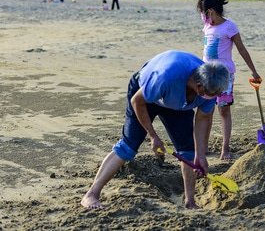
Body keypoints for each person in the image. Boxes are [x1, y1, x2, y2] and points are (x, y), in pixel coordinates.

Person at [80, 50, 229, 210]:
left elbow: (203, 119)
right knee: (128, 146)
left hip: (177, 103)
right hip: (144, 95)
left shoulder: (210, 88)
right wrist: (153, 136)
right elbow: (137, 101)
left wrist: (200, 155)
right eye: (214, 94)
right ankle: (91, 194)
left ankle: (190, 201)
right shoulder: (166, 76)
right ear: (199, 87)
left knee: (188, 151)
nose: (216, 97)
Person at [196, 0, 261, 160]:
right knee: (206, 110)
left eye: (203, 13)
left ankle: (225, 148)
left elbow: (241, 49)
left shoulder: (229, 27)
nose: (202, 17)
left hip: (225, 76)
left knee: (223, 110)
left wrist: (253, 70)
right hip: (206, 75)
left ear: (210, 11)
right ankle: (204, 146)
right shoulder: (207, 26)